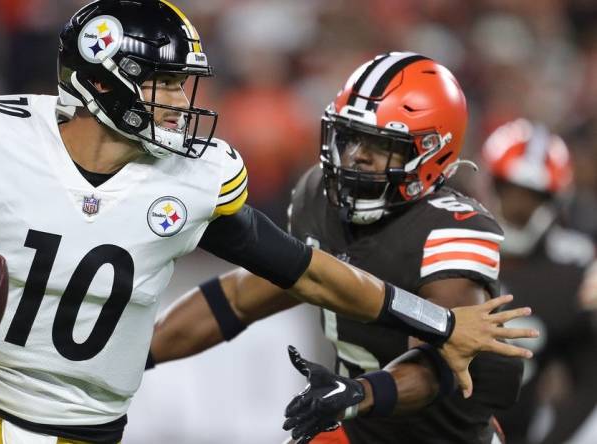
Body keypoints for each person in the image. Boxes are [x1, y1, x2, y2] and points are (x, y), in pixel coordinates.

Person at [0, 2, 534, 443]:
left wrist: (438, 327)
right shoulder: (0, 139)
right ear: (103, 78)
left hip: (87, 425)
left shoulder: (195, 180)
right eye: (164, 83)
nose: (180, 102)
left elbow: (306, 271)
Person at [150, 52, 529, 444]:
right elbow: (241, 298)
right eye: (351, 136)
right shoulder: (320, 196)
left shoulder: (450, 229)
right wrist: (138, 354)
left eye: (380, 145)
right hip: (356, 426)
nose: (355, 156)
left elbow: (443, 361)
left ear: (431, 152)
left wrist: (358, 393)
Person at [481, 119, 597, 444]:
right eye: (510, 190)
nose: (519, 207)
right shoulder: (455, 246)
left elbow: (589, 375)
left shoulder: (573, 267)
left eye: (533, 195)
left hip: (522, 427)